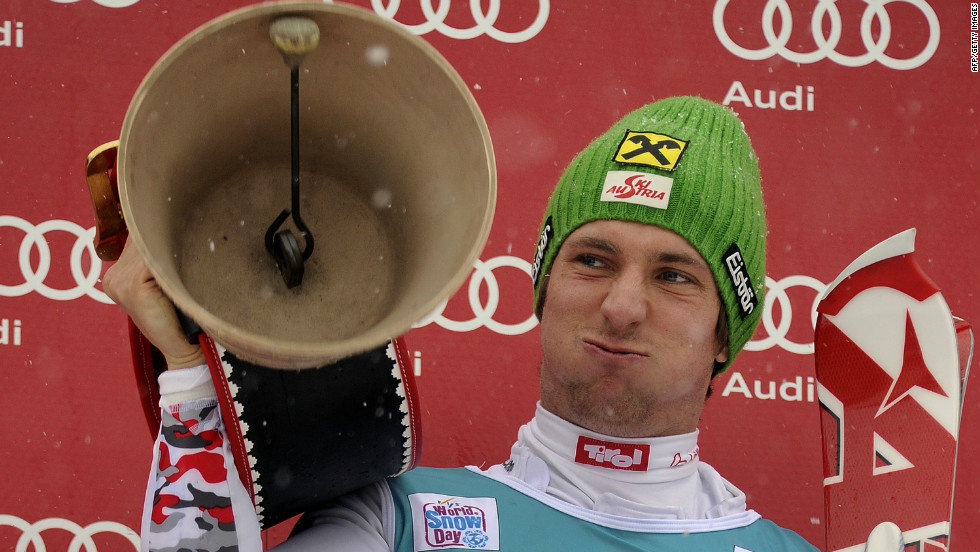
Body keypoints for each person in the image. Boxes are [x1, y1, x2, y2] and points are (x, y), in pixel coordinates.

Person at [104, 96, 821, 551]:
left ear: (728, 335)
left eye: (673, 276)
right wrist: (191, 383)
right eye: (594, 260)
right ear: (543, 290)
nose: (623, 305)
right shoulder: (397, 522)